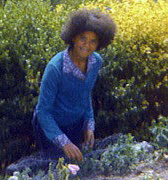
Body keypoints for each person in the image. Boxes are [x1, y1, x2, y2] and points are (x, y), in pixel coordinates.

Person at [33, 8, 116, 162]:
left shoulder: (95, 61)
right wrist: (65, 143)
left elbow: (85, 94)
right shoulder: (55, 68)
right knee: (55, 172)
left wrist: (89, 124)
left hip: (75, 124)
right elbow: (43, 112)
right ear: (73, 38)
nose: (87, 45)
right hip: (51, 127)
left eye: (93, 41)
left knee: (78, 168)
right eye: (82, 38)